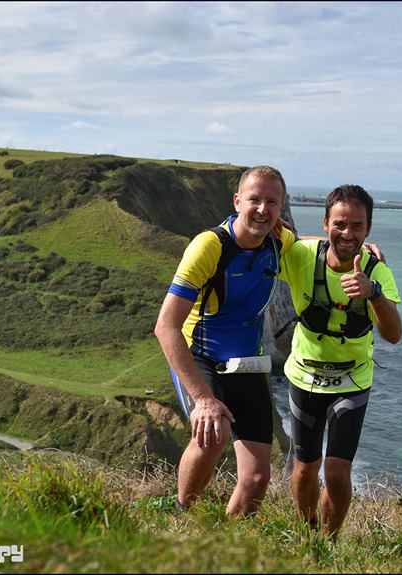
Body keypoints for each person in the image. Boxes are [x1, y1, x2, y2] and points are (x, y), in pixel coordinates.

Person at [154, 165, 296, 516]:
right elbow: (166, 327)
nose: (263, 209)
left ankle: (224, 545)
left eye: (272, 202)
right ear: (237, 201)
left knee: (259, 477)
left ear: (281, 208)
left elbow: (309, 246)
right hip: (202, 358)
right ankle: (182, 515)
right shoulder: (210, 246)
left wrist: (353, 245)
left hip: (247, 364)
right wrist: (203, 399)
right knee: (212, 435)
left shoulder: (278, 242)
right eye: (255, 200)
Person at [277, 184, 402, 539]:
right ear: (326, 222)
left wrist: (372, 293)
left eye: (357, 226)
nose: (348, 234)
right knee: (304, 469)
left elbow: (393, 334)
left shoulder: (377, 271)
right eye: (340, 224)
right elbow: (268, 228)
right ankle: (307, 534)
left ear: (368, 230)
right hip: (305, 377)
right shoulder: (302, 255)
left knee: (335, 471)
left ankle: (329, 542)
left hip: (352, 380)